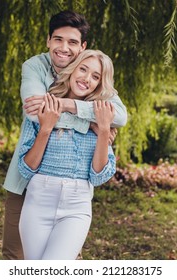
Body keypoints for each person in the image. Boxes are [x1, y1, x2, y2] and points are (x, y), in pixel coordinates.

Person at [1, 10, 127, 260]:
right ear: (48, 40)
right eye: (58, 39)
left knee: (65, 259)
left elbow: (119, 116)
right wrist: (92, 122)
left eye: (72, 42)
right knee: (15, 255)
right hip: (28, 176)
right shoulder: (34, 66)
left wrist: (70, 107)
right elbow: (37, 115)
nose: (63, 48)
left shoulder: (93, 71)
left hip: (73, 188)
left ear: (83, 47)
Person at [18, 50, 118, 259]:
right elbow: (26, 168)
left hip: (77, 205)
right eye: (83, 69)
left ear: (100, 84)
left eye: (95, 76)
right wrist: (46, 128)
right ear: (72, 69)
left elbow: (98, 176)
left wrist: (104, 130)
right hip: (38, 201)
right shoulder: (44, 105)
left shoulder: (101, 115)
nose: (86, 79)